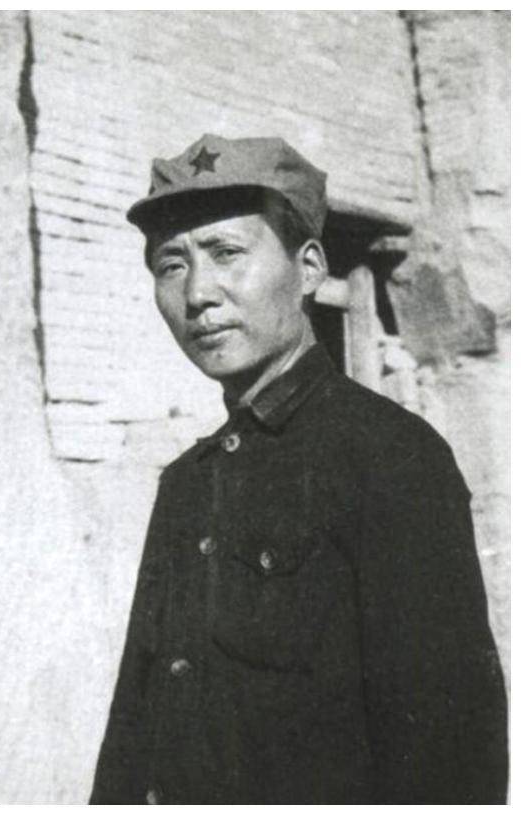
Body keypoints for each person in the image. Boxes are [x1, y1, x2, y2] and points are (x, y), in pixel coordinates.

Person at [89, 134, 508, 804]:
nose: (198, 293)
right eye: (171, 264)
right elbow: (132, 739)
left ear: (309, 267)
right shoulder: (186, 483)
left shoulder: (391, 456)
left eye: (227, 252)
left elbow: (451, 756)